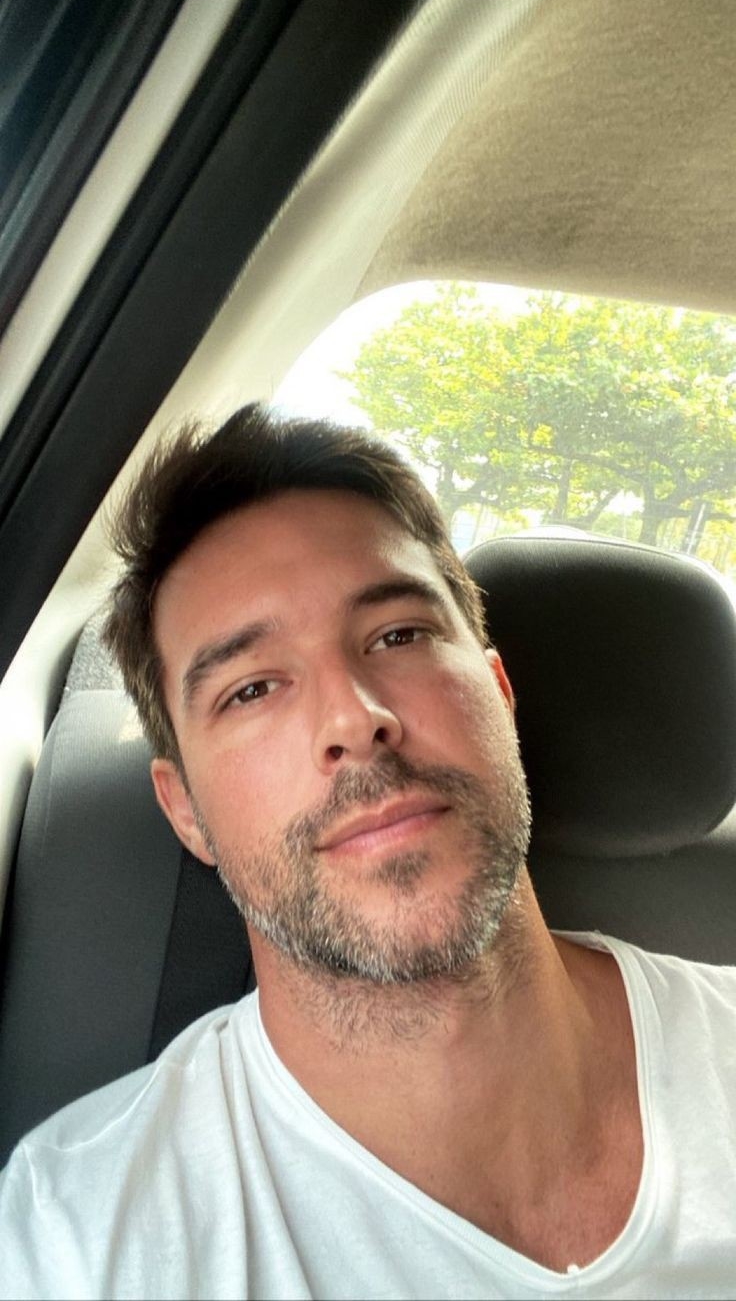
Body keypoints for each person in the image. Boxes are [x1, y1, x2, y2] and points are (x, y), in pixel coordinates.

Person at [1, 403, 735, 1300]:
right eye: (252, 688)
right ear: (185, 810)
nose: (354, 718)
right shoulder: (71, 1240)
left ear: (499, 693)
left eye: (398, 636)